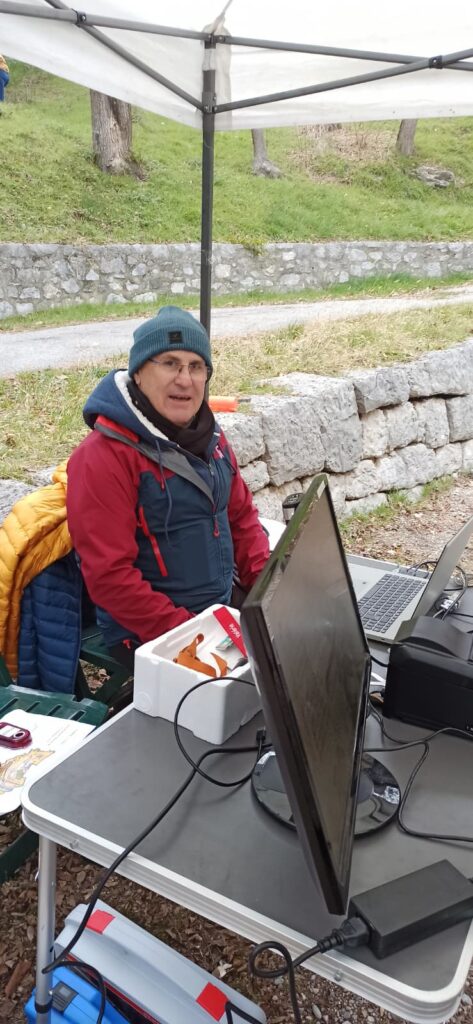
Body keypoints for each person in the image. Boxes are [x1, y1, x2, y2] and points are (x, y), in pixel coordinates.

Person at [66, 306, 270, 669]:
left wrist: (267, 590)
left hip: (219, 607)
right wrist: (191, 633)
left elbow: (241, 518)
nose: (185, 380)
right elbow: (110, 578)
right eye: (170, 364)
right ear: (139, 372)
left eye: (196, 366)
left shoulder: (211, 437)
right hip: (149, 631)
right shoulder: (103, 457)